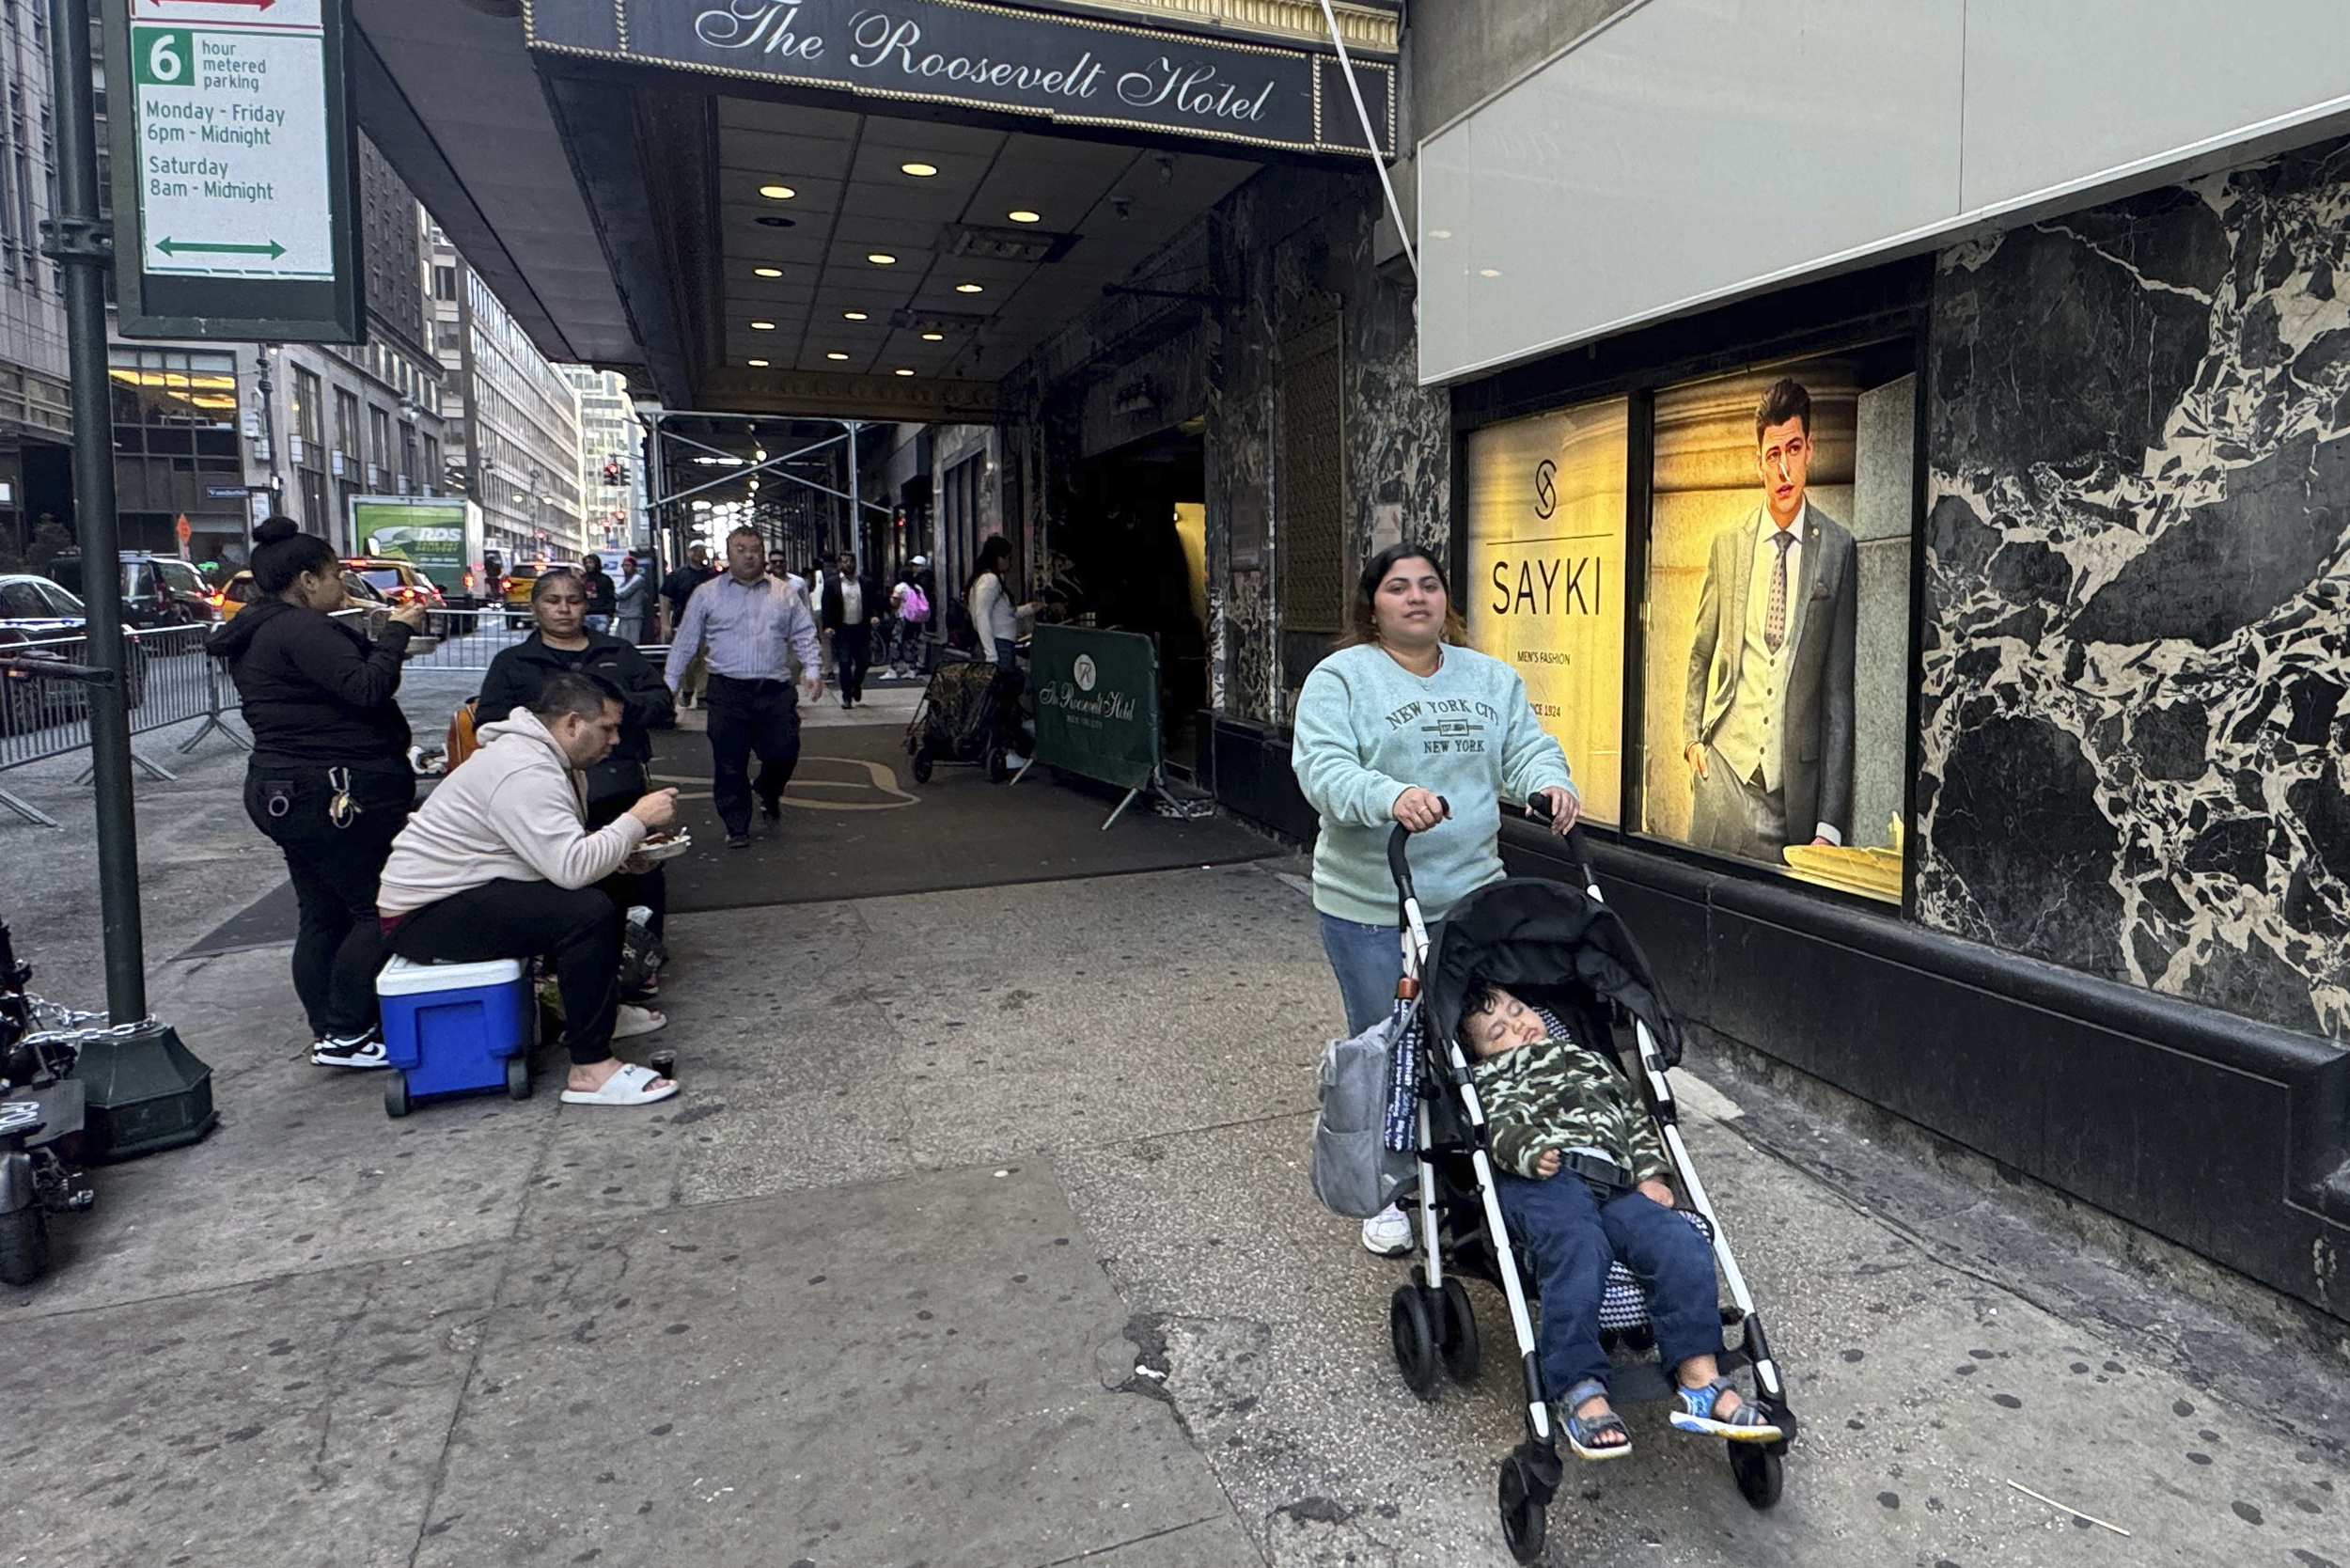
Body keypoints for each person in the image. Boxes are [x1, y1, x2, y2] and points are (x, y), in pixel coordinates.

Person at [1291, 541, 1579, 1255]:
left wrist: (1550, 782)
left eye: (1428, 585)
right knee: (1384, 1045)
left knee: (1480, 1035)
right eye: (1397, 587)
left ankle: (1479, 1165)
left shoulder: (1490, 678)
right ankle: (1384, 1192)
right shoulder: (1343, 679)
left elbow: (1524, 749)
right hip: (1370, 901)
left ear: (1446, 600)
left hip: (1472, 896)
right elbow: (1322, 769)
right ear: (1373, 607)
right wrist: (1391, 797)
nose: (1416, 597)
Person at [1458, 981, 1780, 1458]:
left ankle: (1700, 1379)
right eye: (1497, 1031)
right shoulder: (1493, 1078)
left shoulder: (1592, 1062)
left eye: (1518, 1009)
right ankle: (1578, 1386)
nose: (1518, 1026)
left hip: (1616, 1180)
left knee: (1679, 1241)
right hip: (1543, 1178)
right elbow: (1499, 1125)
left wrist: (1652, 1173)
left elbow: (1634, 1120)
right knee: (1577, 1245)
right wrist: (1527, 1148)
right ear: (1483, 1055)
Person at [378, 672, 680, 1106]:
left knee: (608, 884)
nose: (615, 740)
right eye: (608, 728)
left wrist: (623, 852)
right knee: (585, 912)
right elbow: (572, 869)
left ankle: (599, 1016)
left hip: (466, 890)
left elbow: (558, 851)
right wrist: (636, 819)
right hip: (423, 914)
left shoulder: (547, 758)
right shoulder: (524, 769)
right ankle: (590, 1069)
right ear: (573, 723)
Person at [211, 517, 430, 1068]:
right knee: (377, 910)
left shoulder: (262, 628)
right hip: (330, 793)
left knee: (323, 913)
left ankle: (333, 1028)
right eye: (335, 575)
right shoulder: (298, 630)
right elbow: (367, 687)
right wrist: (397, 632)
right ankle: (348, 1030)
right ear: (307, 580)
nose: (343, 586)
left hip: (288, 789)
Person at [1683, 376, 1857, 862]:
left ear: (1810, 451)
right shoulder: (1730, 545)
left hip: (1792, 799)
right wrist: (1692, 740)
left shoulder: (1838, 550)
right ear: (1757, 460)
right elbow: (1700, 650)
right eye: (1773, 454)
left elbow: (1838, 696)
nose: (1784, 469)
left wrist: (1830, 822)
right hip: (1722, 779)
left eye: (1794, 450)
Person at [478, 568, 677, 942]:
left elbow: (661, 705)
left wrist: (612, 707)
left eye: (573, 601)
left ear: (587, 605)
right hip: (546, 790)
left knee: (640, 868)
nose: (564, 610)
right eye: (553, 601)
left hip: (619, 782)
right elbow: (488, 724)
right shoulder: (513, 662)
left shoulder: (616, 652)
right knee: (570, 878)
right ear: (536, 607)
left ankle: (645, 954)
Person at [664, 525, 822, 848]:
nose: (749, 555)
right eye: (741, 548)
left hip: (774, 689)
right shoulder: (707, 593)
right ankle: (736, 825)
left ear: (763, 554)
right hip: (727, 691)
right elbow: (686, 641)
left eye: (755, 549)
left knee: (784, 752)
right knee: (729, 760)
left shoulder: (785, 592)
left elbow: (804, 633)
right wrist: (669, 683)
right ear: (728, 553)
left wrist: (813, 668)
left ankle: (768, 789)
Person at [966, 536, 1040, 767]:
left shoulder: (989, 580)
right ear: (997, 558)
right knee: (1002, 700)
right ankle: (1003, 751)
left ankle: (999, 749)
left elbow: (1002, 615)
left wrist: (1028, 609)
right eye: (1007, 557)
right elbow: (982, 616)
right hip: (999, 647)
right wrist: (992, 655)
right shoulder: (990, 581)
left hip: (1000, 645)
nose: (1009, 561)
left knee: (1000, 699)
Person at [820, 550, 883, 709]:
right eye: (845, 561)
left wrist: (874, 616)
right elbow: (826, 606)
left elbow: (873, 603)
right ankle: (846, 696)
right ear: (839, 564)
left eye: (851, 561)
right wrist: (827, 626)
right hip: (843, 629)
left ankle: (856, 684)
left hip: (861, 628)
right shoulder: (832, 584)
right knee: (845, 662)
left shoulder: (865, 583)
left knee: (863, 661)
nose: (849, 564)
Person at [612, 552, 651, 645]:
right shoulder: (625, 581)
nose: (625, 568)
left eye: (628, 565)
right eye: (624, 566)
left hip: (633, 616)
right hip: (624, 616)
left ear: (634, 567)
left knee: (632, 643)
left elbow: (623, 594)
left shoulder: (637, 579)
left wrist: (611, 593)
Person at [579, 554, 617, 633]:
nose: (588, 565)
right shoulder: (582, 579)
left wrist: (610, 613)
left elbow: (610, 597)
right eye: (586, 563)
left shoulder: (605, 579)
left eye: (591, 562)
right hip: (586, 614)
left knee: (601, 640)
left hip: (602, 613)